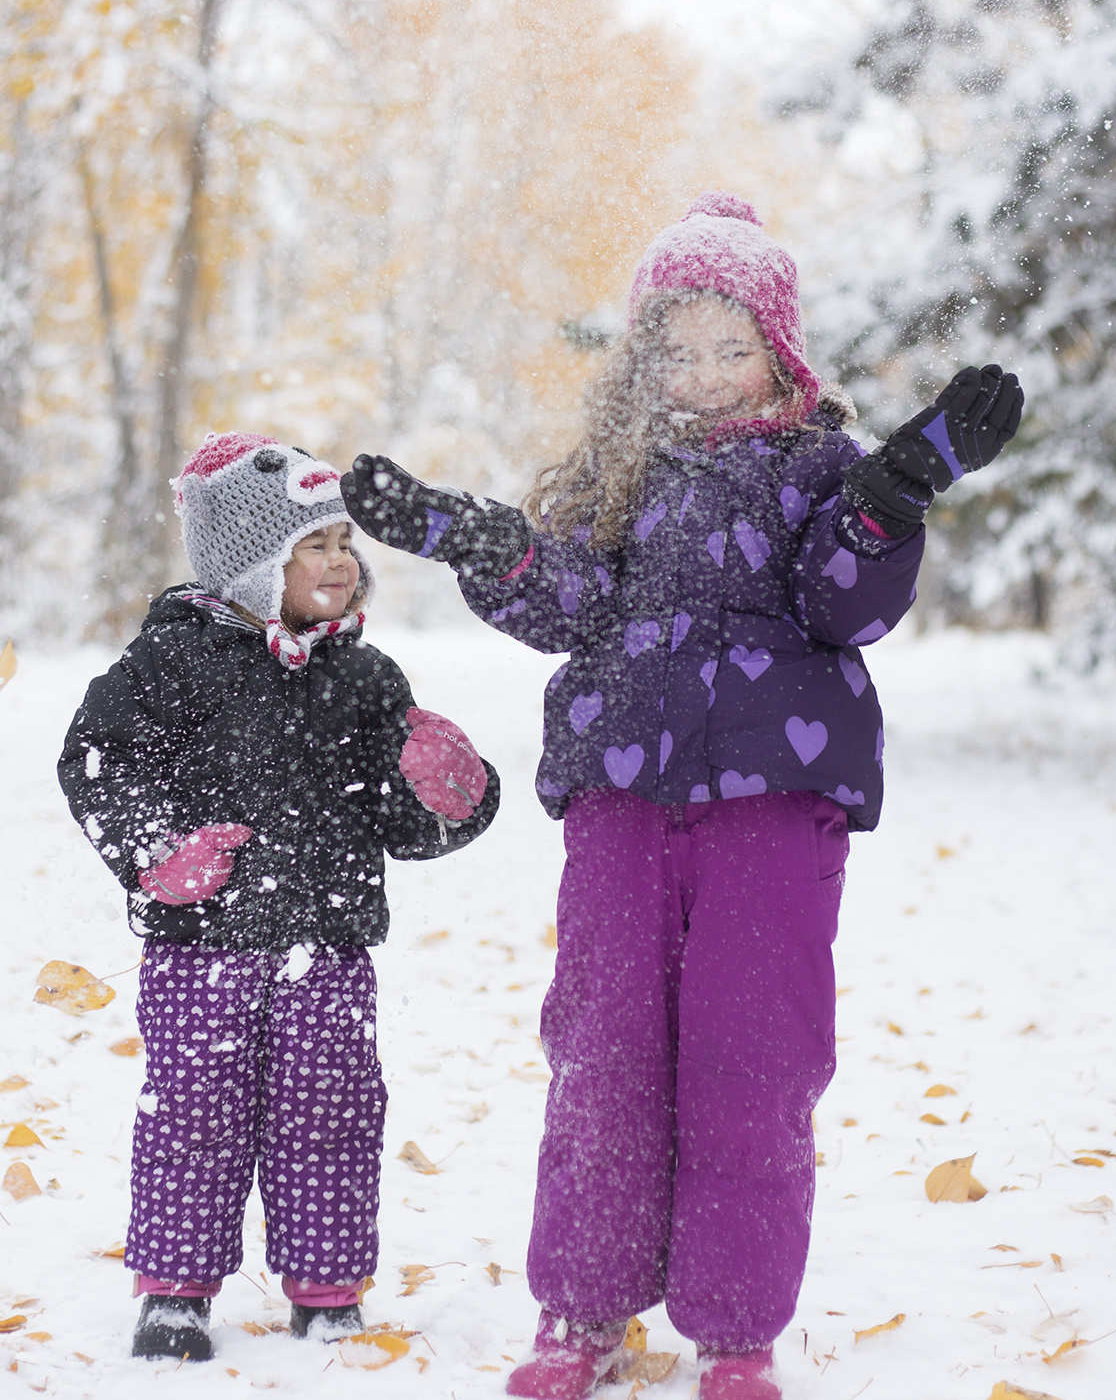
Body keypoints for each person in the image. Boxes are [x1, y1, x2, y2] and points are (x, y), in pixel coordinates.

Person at [341, 193, 1023, 1400]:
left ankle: (737, 1327)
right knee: (601, 1051)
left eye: (731, 346)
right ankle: (582, 1312)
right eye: (678, 347)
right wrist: (458, 533)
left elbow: (841, 605)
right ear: (642, 356)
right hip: (621, 796)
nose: (705, 372)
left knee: (751, 1059)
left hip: (776, 796)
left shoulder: (825, 468)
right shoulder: (615, 475)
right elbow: (564, 605)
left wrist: (900, 483)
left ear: (779, 351)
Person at [58, 432, 502, 1363]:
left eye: (345, 542)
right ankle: (176, 1291)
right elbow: (99, 761)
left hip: (327, 946)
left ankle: (327, 1289)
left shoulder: (363, 677)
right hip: (201, 944)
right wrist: (156, 851)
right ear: (257, 565)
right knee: (193, 1112)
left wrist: (451, 793)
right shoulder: (172, 663)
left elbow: (404, 822)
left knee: (332, 1108)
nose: (341, 562)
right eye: (316, 545)